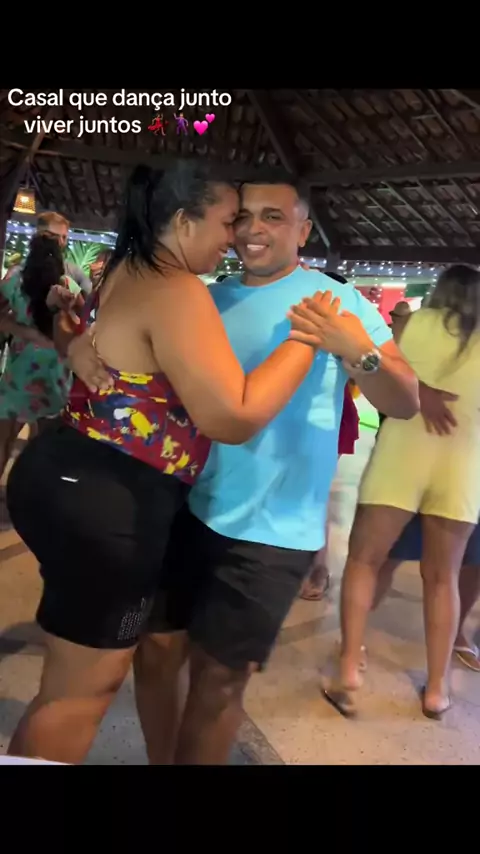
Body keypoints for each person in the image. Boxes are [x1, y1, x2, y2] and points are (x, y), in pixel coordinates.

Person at [66, 178, 419, 765]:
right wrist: (82, 345)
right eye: (243, 217)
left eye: (273, 216)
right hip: (179, 506)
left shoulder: (338, 302)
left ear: (303, 230)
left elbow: (405, 401)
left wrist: (357, 349)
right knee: (155, 655)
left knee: (220, 680)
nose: (252, 229)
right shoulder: (205, 296)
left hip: (272, 531)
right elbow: (129, 348)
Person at [5, 162, 335, 765]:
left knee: (74, 676)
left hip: (64, 471)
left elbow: (84, 337)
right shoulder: (178, 288)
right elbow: (231, 418)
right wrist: (305, 339)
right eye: (227, 221)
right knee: (80, 693)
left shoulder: (127, 267)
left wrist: (69, 340)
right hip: (108, 497)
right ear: (184, 222)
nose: (235, 235)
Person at [324, 264, 480, 720]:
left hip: (399, 459)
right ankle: (437, 690)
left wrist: (423, 389)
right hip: (462, 469)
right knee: (443, 578)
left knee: (364, 561)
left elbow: (375, 378)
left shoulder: (410, 325)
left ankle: (349, 666)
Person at [0, 234, 82, 482]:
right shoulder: (66, 285)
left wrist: (24, 331)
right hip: (55, 374)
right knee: (44, 445)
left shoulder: (14, 279)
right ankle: (31, 491)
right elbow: (80, 322)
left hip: (19, 373)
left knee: (4, 438)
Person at [300, 271, 360, 601]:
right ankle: (313, 566)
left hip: (330, 416)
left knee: (315, 491)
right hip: (308, 414)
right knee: (311, 491)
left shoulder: (346, 326)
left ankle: (318, 567)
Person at [4, 212, 92, 295]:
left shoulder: (73, 271)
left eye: (64, 237)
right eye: (54, 236)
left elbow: (88, 296)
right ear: (41, 236)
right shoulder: (18, 273)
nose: (61, 242)